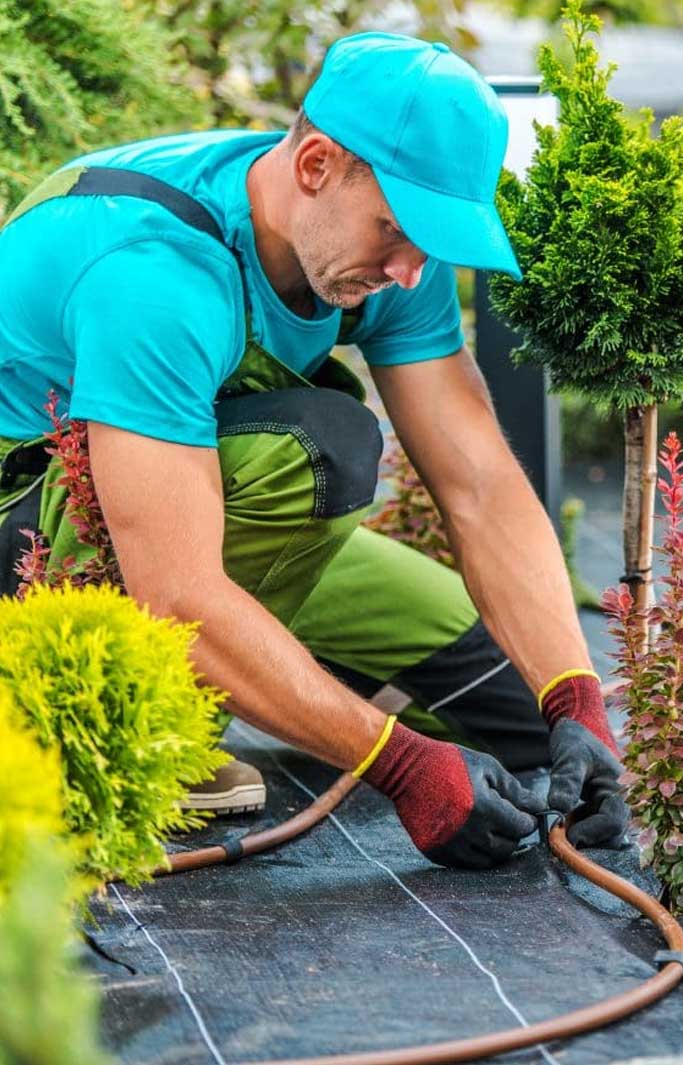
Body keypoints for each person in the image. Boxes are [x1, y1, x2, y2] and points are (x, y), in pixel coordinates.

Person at [0, 32, 626, 868]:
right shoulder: (157, 269)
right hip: (39, 539)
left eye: (431, 241)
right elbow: (178, 589)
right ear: (316, 165)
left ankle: (294, 677)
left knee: (522, 713)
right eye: (397, 230)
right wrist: (397, 764)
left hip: (189, 509)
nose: (410, 269)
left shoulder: (377, 251)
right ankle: (154, 736)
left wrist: (575, 700)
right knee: (322, 449)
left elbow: (478, 483)